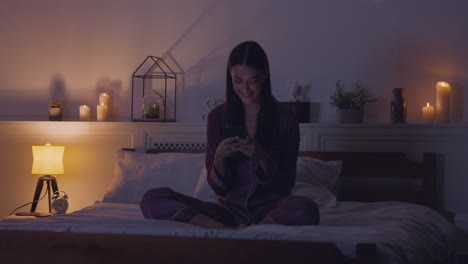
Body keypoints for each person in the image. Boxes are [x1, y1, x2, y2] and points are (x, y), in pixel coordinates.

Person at [140, 41, 319, 228]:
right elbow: (219, 188)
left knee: (306, 209)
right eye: (238, 80)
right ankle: (229, 233)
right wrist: (218, 158)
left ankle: (254, 231)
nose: (245, 88)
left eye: (253, 80)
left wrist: (262, 157)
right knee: (152, 198)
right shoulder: (218, 117)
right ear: (230, 78)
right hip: (228, 213)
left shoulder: (285, 119)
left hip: (270, 211)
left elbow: (285, 186)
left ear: (265, 75)